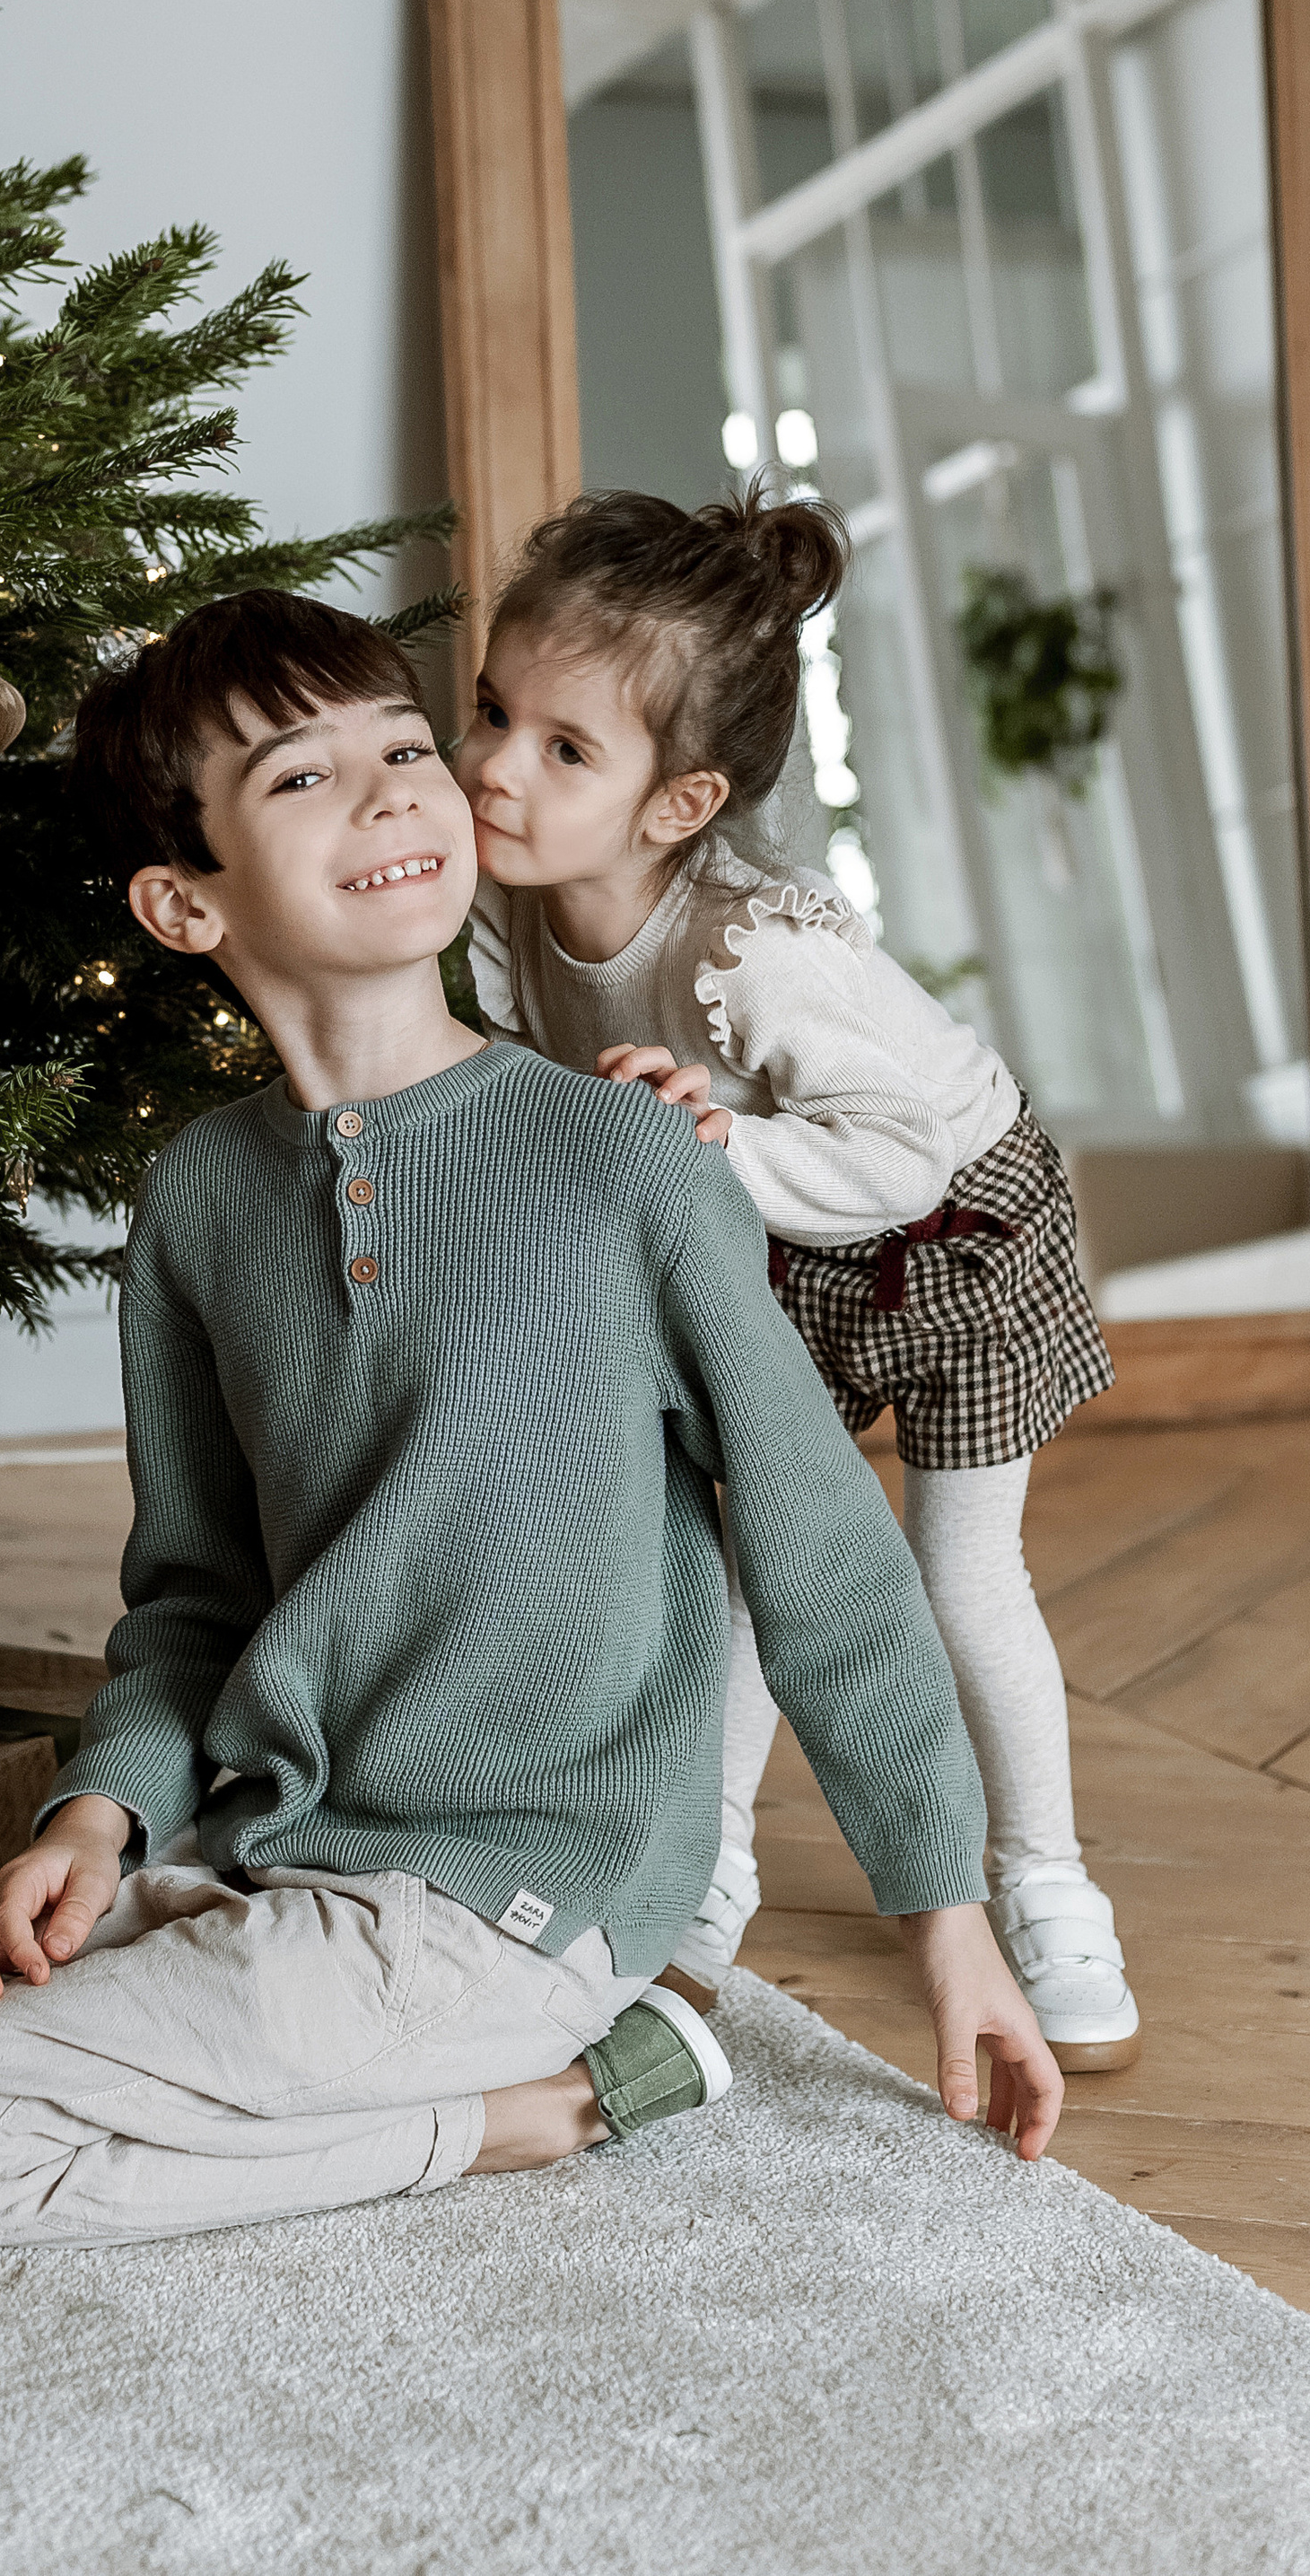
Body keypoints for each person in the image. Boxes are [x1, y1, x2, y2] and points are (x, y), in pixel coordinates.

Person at [0, 588, 1061, 2248]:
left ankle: (548, 2106)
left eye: (407, 747)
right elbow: (196, 1597)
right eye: (304, 779)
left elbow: (825, 1561)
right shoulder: (207, 1199)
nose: (396, 795)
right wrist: (99, 1820)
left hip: (509, 1895)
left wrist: (949, 1924)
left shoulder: (624, 1156)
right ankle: (245, 1997)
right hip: (266, 1837)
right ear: (180, 899)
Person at [452, 489, 1137, 2072]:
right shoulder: (507, 908)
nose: (493, 765)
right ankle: (705, 1891)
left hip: (951, 1229)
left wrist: (718, 1159)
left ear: (680, 802)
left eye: (566, 749)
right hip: (772, 1249)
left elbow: (894, 1154)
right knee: (744, 1573)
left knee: (960, 1580)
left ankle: (1043, 1882)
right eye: (495, 712)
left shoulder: (756, 954)